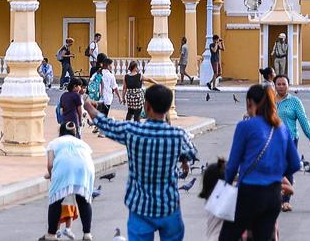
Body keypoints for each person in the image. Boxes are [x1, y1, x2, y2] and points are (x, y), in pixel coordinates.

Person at [85, 83, 196, 241]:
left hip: (140, 206)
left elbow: (105, 124)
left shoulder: (133, 131)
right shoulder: (178, 135)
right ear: (167, 108)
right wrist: (183, 159)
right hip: (169, 206)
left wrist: (88, 106)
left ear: (147, 106)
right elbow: (192, 152)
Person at [220, 83, 297, 241]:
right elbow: (295, 163)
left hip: (249, 192)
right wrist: (275, 171)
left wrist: (225, 187)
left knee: (227, 236)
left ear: (250, 102)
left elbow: (233, 165)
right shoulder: (281, 128)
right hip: (273, 195)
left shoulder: (245, 126)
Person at [272, 75, 310, 212]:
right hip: (271, 139)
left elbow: (303, 120)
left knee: (287, 168)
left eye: (284, 84)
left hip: (289, 140)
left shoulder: (295, 102)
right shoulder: (269, 101)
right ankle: (275, 197)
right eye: (278, 84)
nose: (281, 87)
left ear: (288, 85)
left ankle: (286, 201)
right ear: (274, 86)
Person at [89, 54, 118, 120]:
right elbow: (113, 86)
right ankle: (101, 125)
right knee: (104, 113)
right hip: (105, 97)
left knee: (98, 112)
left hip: (95, 95)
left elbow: (91, 82)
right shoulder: (108, 73)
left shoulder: (94, 70)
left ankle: (97, 125)